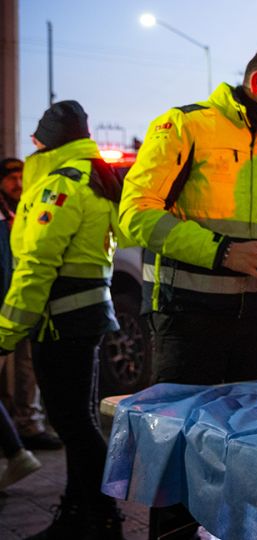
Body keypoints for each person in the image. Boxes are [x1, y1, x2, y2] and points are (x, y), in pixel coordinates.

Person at [120, 42, 257, 385]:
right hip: (187, 320)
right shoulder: (184, 125)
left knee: (252, 431)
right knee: (184, 429)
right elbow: (136, 213)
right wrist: (225, 252)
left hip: (256, 322)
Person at [0, 101, 127, 538]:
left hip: (60, 324)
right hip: (86, 320)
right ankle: (80, 514)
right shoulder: (94, 180)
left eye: (36, 141)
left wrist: (5, 334)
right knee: (80, 422)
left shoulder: (58, 186)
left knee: (74, 425)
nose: (31, 149)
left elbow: (35, 265)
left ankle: (103, 517)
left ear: (48, 142)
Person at [0, 158, 62, 452]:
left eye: (21, 176)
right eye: (11, 177)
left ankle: (28, 425)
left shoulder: (29, 207)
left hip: (24, 298)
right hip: (9, 300)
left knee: (26, 365)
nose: (18, 183)